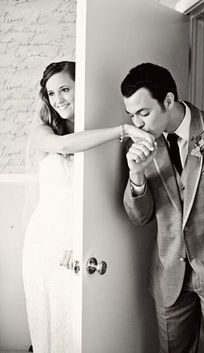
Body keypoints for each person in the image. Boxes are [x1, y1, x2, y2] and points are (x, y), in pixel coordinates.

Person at [22, 60, 154, 353]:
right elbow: (66, 146)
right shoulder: (42, 131)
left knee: (80, 323)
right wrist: (123, 129)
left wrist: (80, 240)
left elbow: (103, 199)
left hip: (80, 241)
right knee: (51, 319)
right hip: (46, 240)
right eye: (51, 94)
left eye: (65, 89)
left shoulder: (96, 133)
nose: (58, 100)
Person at [121, 62, 204, 353]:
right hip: (170, 277)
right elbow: (140, 217)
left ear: (169, 101)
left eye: (143, 113)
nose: (137, 124)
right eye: (131, 115)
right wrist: (136, 175)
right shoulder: (140, 144)